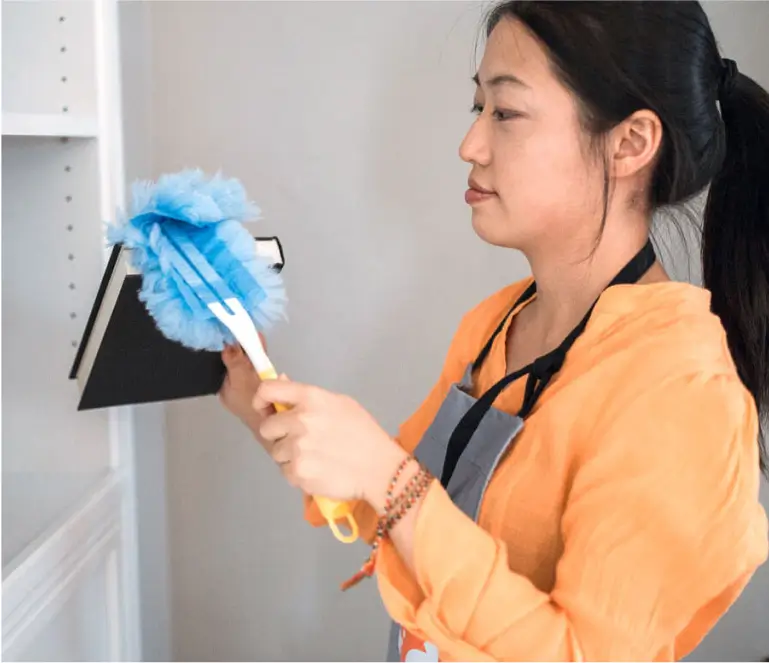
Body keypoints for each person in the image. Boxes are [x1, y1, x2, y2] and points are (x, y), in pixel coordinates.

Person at [220, 2, 769, 660]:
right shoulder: (497, 322)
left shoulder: (680, 390)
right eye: (476, 107)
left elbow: (580, 651)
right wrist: (262, 398)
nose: (470, 145)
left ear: (629, 143)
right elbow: (398, 509)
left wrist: (387, 475)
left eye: (504, 113)